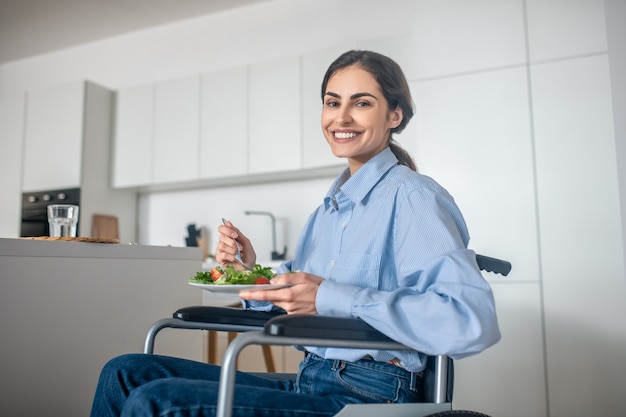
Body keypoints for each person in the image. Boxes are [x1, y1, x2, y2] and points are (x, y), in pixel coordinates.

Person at [90, 50, 500, 417]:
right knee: (125, 373)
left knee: (156, 401)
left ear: (394, 115)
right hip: (312, 378)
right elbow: (296, 296)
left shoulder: (413, 197)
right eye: (332, 102)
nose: (341, 117)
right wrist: (249, 273)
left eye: (361, 103)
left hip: (373, 393)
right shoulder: (328, 210)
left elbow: (469, 321)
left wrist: (330, 296)